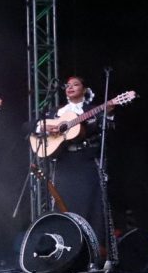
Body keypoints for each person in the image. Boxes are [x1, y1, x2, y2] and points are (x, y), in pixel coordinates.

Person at [48, 76, 117, 250]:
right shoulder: (56, 112)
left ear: (84, 90)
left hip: (86, 163)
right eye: (68, 85)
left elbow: (108, 131)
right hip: (64, 163)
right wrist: (43, 127)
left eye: (75, 84)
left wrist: (109, 114)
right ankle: (62, 249)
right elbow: (28, 126)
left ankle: (93, 251)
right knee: (63, 205)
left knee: (92, 205)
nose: (70, 87)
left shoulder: (92, 110)